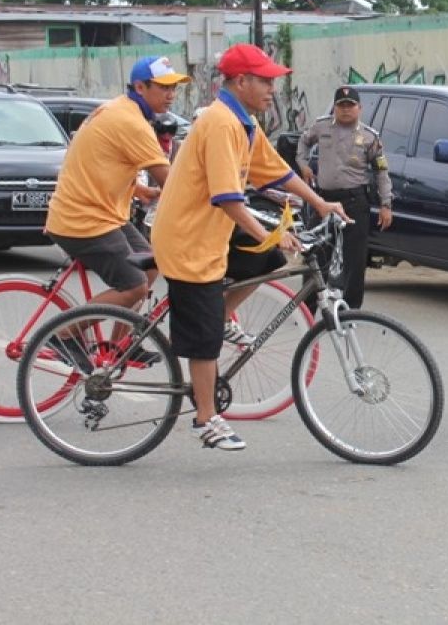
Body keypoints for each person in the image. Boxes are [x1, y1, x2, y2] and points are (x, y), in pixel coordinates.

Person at [150, 44, 349, 451]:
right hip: (188, 240)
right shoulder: (222, 124)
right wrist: (265, 232)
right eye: (265, 80)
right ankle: (206, 418)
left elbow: (276, 172)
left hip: (212, 233)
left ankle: (219, 314)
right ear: (240, 81)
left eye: (274, 81)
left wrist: (319, 202)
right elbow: (227, 197)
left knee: (271, 259)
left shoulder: (245, 125)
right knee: (206, 339)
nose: (273, 89)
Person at [45, 56, 185, 321]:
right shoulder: (132, 122)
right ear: (140, 87)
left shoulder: (121, 109)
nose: (171, 95)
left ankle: (122, 345)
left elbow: (97, 161)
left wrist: (136, 189)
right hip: (84, 221)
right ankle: (61, 338)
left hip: (102, 214)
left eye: (174, 88)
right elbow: (172, 180)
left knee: (151, 265)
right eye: (163, 87)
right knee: (134, 286)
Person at [295, 85, 393, 309]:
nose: (346, 110)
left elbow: (381, 171)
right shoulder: (321, 127)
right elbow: (303, 141)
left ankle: (352, 307)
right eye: (341, 106)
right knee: (315, 252)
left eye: (350, 106)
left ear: (359, 108)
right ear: (335, 108)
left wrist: (386, 204)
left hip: (355, 200)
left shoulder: (369, 137)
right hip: (325, 200)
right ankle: (307, 307)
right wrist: (303, 164)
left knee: (355, 258)